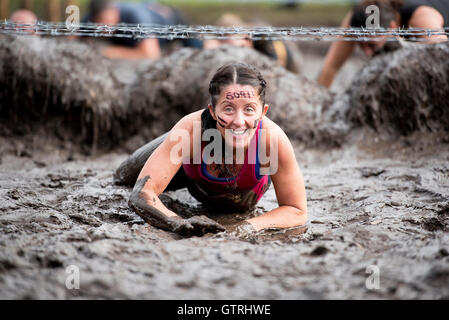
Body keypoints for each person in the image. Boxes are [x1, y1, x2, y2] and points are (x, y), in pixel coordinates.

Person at [114, 62, 308, 237]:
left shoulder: (273, 139)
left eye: (249, 109)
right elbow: (142, 194)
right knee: (122, 177)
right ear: (213, 111)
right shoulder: (190, 129)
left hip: (241, 197)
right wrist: (177, 223)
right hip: (189, 167)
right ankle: (174, 152)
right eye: (228, 109)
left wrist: (247, 227)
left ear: (263, 111)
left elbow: (296, 209)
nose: (239, 122)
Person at [318, 0, 448, 88]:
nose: (367, 53)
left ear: (392, 28)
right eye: (361, 45)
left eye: (371, 45)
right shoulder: (358, 17)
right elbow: (330, 68)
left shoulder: (422, 20)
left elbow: (444, 61)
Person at [84, 0, 201, 60]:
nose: (103, 26)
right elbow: (70, 37)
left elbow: (151, 54)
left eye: (105, 19)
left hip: (174, 22)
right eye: (97, 21)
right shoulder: (90, 19)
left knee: (199, 52)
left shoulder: (135, 16)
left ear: (115, 11)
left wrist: (110, 52)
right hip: (147, 12)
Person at [203, 13, 302, 74]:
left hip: (291, 64)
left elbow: (278, 65)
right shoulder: (236, 40)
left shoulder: (263, 37)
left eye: (226, 38)